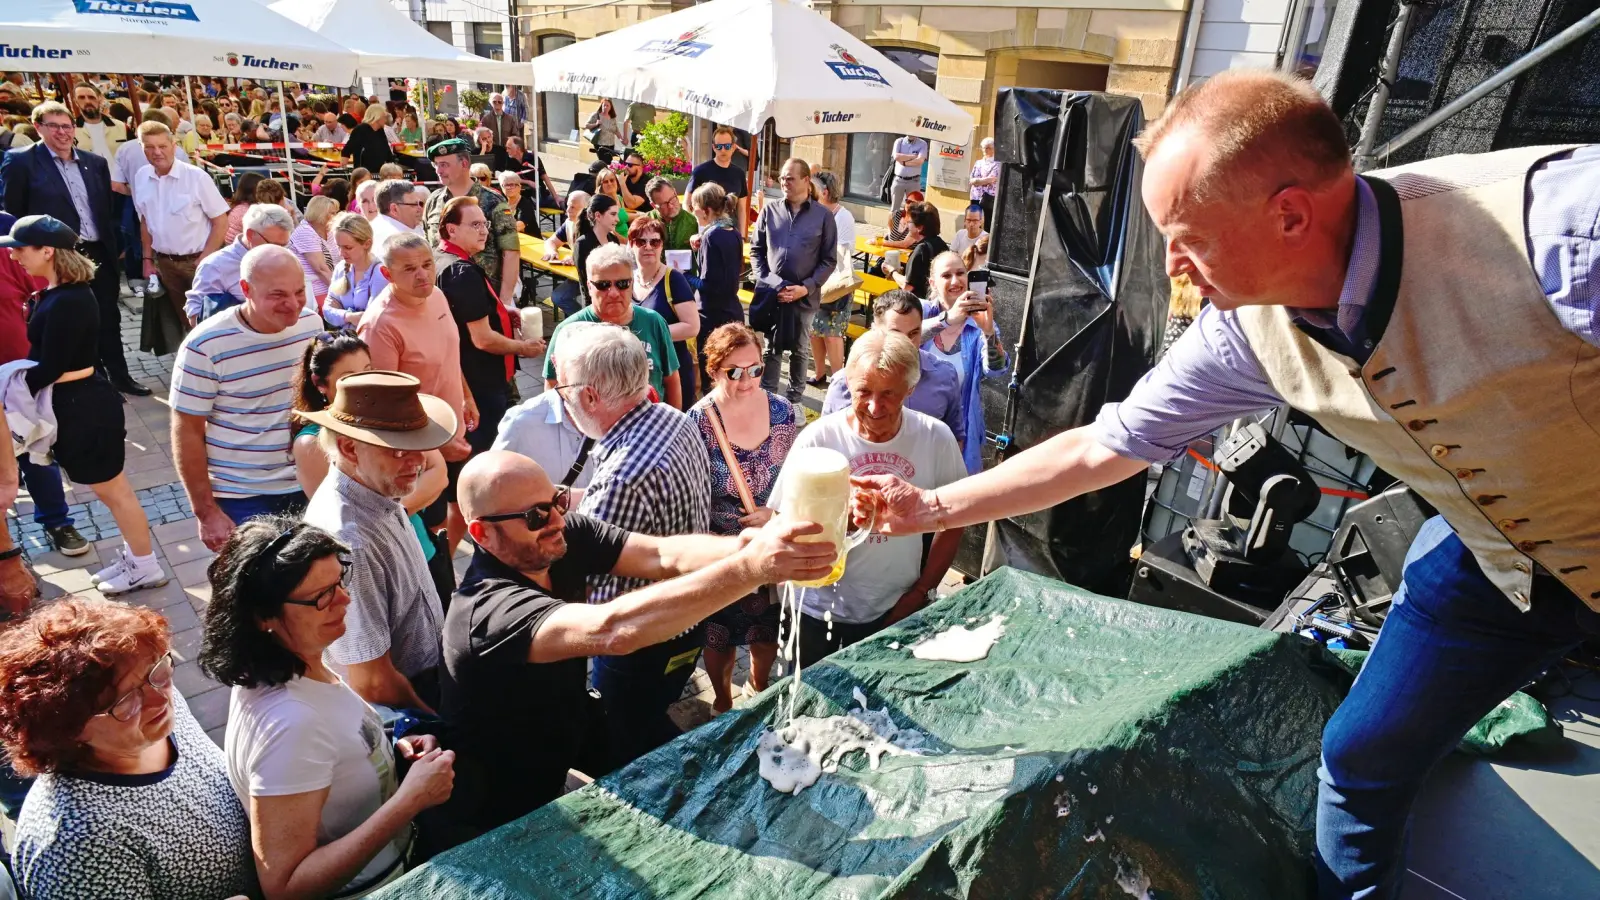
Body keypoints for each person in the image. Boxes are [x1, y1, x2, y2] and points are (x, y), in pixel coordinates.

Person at [855, 70, 1600, 900]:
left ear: (1288, 213)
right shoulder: (1245, 328)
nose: (1172, 267)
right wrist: (932, 506)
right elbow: (1107, 445)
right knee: (1358, 755)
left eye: (1186, 236)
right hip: (1490, 554)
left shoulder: (1564, 228)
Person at [441, 448, 831, 831]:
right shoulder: (485, 612)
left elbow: (661, 555)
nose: (557, 519)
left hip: (569, 726)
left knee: (688, 778)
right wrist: (750, 568)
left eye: (557, 499)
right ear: (482, 533)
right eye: (534, 515)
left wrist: (746, 546)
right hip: (501, 791)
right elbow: (612, 631)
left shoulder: (557, 539)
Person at [201, 518, 456, 898]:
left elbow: (330, 755)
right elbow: (285, 887)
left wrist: (383, 749)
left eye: (340, 580)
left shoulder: (291, 663)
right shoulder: (290, 726)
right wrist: (409, 801)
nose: (344, 600)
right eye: (320, 595)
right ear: (263, 616)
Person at [0, 599, 256, 900]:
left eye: (157, 671)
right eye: (126, 703)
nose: (159, 699)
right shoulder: (73, 846)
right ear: (67, 731)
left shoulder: (158, 713)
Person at [553, 322, 711, 766]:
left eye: (564, 389)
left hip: (643, 642)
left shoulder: (623, 475)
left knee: (626, 731)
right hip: (687, 623)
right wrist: (572, 499)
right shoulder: (673, 419)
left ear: (589, 397)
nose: (562, 400)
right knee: (648, 715)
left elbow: (591, 583)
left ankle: (676, 789)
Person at [772, 330, 966, 667]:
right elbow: (781, 522)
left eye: (889, 393)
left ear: (910, 389)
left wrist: (920, 593)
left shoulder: (935, 437)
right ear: (848, 384)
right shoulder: (819, 438)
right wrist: (838, 521)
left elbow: (955, 521)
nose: (875, 407)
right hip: (815, 609)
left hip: (893, 606)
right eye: (864, 392)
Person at [1, 216, 170, 593]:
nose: (14, 256)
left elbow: (52, 366)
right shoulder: (61, 293)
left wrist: (10, 382)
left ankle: (145, 566)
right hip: (80, 403)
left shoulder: (69, 299)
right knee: (112, 493)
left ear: (47, 251)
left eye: (20, 249)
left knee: (115, 493)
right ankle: (138, 559)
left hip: (83, 407)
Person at [300, 371, 458, 714]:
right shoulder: (349, 541)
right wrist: (438, 723)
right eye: (400, 451)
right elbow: (372, 680)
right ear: (348, 448)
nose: (418, 463)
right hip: (410, 700)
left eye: (420, 445)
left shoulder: (379, 487)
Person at [171, 245, 322, 552]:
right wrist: (206, 512)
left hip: (307, 483)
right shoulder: (205, 346)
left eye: (299, 291)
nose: (293, 304)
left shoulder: (311, 325)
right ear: (245, 290)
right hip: (242, 497)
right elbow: (186, 430)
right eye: (278, 294)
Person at [290, 332, 452, 609]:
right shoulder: (312, 443)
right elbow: (345, 516)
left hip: (422, 546)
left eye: (368, 371)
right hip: (381, 565)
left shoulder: (389, 419)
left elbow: (439, 473)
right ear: (321, 384)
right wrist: (386, 518)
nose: (366, 384)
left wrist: (391, 511)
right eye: (350, 378)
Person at [686, 324, 801, 711]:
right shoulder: (698, 422)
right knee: (717, 636)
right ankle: (721, 702)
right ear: (714, 370)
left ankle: (757, 688)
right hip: (722, 550)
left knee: (765, 632)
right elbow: (689, 496)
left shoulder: (784, 413)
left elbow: (799, 481)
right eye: (735, 371)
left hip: (770, 547)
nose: (748, 379)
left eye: (755, 368)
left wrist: (777, 513)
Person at [1, 101, 148, 396]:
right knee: (74, 319)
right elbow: (15, 213)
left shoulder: (93, 162)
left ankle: (120, 376)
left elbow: (105, 209)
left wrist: (113, 242)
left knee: (108, 316)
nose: (62, 132)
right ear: (39, 128)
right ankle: (96, 380)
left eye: (66, 125)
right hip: (57, 256)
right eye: (53, 126)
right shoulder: (21, 162)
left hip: (98, 250)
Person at [358, 232, 476, 552]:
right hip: (419, 449)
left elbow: (449, 351)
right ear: (387, 274)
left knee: (464, 505)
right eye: (409, 269)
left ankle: (446, 565)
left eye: (427, 264)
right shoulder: (380, 325)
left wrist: (466, 396)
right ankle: (435, 572)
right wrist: (435, 447)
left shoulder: (435, 295)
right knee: (430, 525)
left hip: (454, 429)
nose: (422, 274)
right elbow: (385, 406)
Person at [434, 195, 545, 457]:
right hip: (480, 381)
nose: (484, 230)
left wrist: (500, 312)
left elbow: (464, 312)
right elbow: (482, 338)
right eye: (475, 225)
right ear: (452, 229)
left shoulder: (442, 258)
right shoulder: (462, 272)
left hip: (469, 376)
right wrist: (523, 348)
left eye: (484, 224)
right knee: (489, 453)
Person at [823, 290, 964, 455]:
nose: (907, 344)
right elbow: (826, 443)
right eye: (896, 334)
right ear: (875, 329)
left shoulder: (945, 375)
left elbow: (954, 440)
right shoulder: (845, 381)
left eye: (914, 333)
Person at [543, 243, 680, 408]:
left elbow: (671, 381)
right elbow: (552, 390)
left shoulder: (654, 322)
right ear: (589, 286)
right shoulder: (569, 331)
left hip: (649, 429)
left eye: (622, 284)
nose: (614, 293)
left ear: (631, 282)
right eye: (603, 285)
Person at [751, 157, 836, 402]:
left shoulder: (823, 216)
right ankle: (768, 398)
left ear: (806, 181)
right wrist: (771, 282)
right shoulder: (770, 210)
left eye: (790, 178)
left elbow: (829, 260)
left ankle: (794, 400)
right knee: (771, 347)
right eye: (782, 178)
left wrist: (805, 288)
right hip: (772, 293)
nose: (784, 182)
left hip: (804, 296)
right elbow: (756, 251)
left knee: (799, 349)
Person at [132, 121, 228, 323]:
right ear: (142, 148)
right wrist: (147, 260)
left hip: (197, 262)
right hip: (165, 264)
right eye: (149, 147)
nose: (157, 152)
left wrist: (205, 259)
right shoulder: (141, 177)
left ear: (173, 146)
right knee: (183, 321)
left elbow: (220, 221)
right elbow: (145, 221)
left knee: (209, 322)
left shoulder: (196, 177)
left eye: (162, 146)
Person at [920, 252, 1007, 474]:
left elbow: (996, 370)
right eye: (946, 275)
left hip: (958, 438)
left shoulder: (979, 324)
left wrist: (988, 331)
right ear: (933, 282)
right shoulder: (919, 312)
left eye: (960, 273)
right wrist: (947, 319)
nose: (955, 280)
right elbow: (898, 339)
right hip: (913, 428)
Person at [424, 139, 520, 306]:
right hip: (444, 297)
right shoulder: (433, 201)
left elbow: (510, 252)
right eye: (436, 165)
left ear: (465, 163)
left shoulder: (493, 200)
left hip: (485, 298)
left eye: (445, 164)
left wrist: (504, 302)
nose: (438, 170)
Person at [185, 202, 293, 325]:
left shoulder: (284, 258)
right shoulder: (215, 265)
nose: (279, 251)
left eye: (284, 245)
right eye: (273, 244)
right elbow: (196, 315)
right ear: (251, 235)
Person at [629, 217, 699, 406]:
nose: (648, 247)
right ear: (631, 244)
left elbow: (692, 327)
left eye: (655, 241)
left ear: (662, 246)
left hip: (672, 370)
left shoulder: (673, 279)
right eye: (641, 241)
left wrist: (649, 334)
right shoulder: (627, 279)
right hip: (636, 372)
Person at [809, 168, 855, 387]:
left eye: (814, 189)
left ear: (824, 192)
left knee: (832, 334)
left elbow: (840, 252)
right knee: (814, 331)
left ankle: (839, 382)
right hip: (816, 279)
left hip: (836, 284)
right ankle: (819, 374)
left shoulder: (843, 216)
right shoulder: (815, 212)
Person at [324, 211, 388, 329]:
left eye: (348, 247)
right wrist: (349, 316)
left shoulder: (380, 273)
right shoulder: (340, 268)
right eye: (339, 246)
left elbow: (371, 319)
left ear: (367, 244)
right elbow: (327, 311)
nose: (341, 253)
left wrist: (340, 314)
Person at [688, 125, 749, 234]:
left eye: (727, 146)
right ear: (713, 147)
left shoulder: (739, 173)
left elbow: (742, 209)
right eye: (719, 146)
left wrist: (743, 236)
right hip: (705, 232)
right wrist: (696, 230)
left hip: (731, 232)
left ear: (733, 147)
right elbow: (687, 204)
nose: (723, 150)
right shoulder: (700, 171)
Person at [573, 193, 622, 307]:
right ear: (598, 216)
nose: (617, 219)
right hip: (596, 304)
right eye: (613, 214)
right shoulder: (583, 244)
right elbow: (586, 284)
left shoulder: (613, 239)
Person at [289, 195, 338, 310]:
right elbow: (321, 269)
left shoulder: (329, 230)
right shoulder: (306, 231)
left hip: (329, 285)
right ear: (319, 214)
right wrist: (341, 294)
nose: (335, 217)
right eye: (332, 213)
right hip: (314, 290)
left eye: (336, 213)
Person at [892, 201, 948, 300]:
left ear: (920, 228)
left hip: (918, 305)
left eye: (910, 222)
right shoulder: (943, 245)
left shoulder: (921, 249)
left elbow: (907, 286)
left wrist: (892, 271)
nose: (907, 225)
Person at [72, 82, 128, 160]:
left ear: (99, 98)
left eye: (91, 97)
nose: (87, 101)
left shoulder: (122, 127)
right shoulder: (70, 130)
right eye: (81, 97)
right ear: (75, 102)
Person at [502, 136, 560, 208]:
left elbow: (545, 177)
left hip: (539, 194)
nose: (507, 150)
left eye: (509, 148)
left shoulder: (533, 158)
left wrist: (556, 197)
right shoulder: (509, 160)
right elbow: (509, 178)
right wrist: (528, 182)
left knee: (563, 204)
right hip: (521, 196)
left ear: (518, 149)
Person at [368, 178, 424, 250]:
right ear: (394, 209)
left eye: (420, 204)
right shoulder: (393, 240)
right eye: (414, 204)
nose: (420, 209)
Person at [642, 175, 695, 251]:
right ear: (653, 205)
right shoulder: (644, 223)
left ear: (675, 193)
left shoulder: (693, 222)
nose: (670, 206)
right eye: (664, 204)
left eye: (672, 199)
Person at [343, 103, 394, 174]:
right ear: (377, 117)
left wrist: (392, 166)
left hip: (379, 172)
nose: (385, 120)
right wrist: (344, 167)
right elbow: (347, 150)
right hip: (363, 173)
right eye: (384, 117)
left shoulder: (380, 130)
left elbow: (386, 150)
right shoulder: (360, 129)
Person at [889, 132, 929, 211]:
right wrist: (913, 156)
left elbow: (920, 161)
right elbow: (896, 156)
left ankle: (907, 223)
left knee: (913, 209)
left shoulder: (922, 144)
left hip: (913, 181)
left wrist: (904, 162)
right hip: (898, 180)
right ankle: (894, 223)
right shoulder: (899, 141)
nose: (911, 132)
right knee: (894, 209)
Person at [968, 137, 999, 230]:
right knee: (974, 220)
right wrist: (982, 181)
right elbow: (971, 179)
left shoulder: (997, 164)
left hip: (989, 198)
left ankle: (985, 243)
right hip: (975, 196)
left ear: (994, 149)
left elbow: (992, 179)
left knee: (988, 222)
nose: (985, 150)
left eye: (988, 147)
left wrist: (977, 181)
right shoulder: (979, 163)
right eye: (983, 147)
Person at [497, 169, 540, 236]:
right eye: (506, 185)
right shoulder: (502, 204)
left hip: (531, 241)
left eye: (513, 185)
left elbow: (519, 226)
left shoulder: (525, 204)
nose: (510, 188)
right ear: (501, 187)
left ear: (519, 187)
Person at [592, 167, 630, 237]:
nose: (609, 183)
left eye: (612, 180)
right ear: (600, 186)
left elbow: (623, 216)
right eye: (605, 182)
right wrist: (626, 242)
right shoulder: (601, 203)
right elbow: (609, 232)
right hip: (615, 242)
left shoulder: (619, 198)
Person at [949, 203, 988, 269]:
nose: (971, 224)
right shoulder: (960, 234)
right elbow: (951, 256)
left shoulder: (986, 239)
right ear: (964, 221)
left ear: (981, 221)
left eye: (975, 221)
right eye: (969, 220)